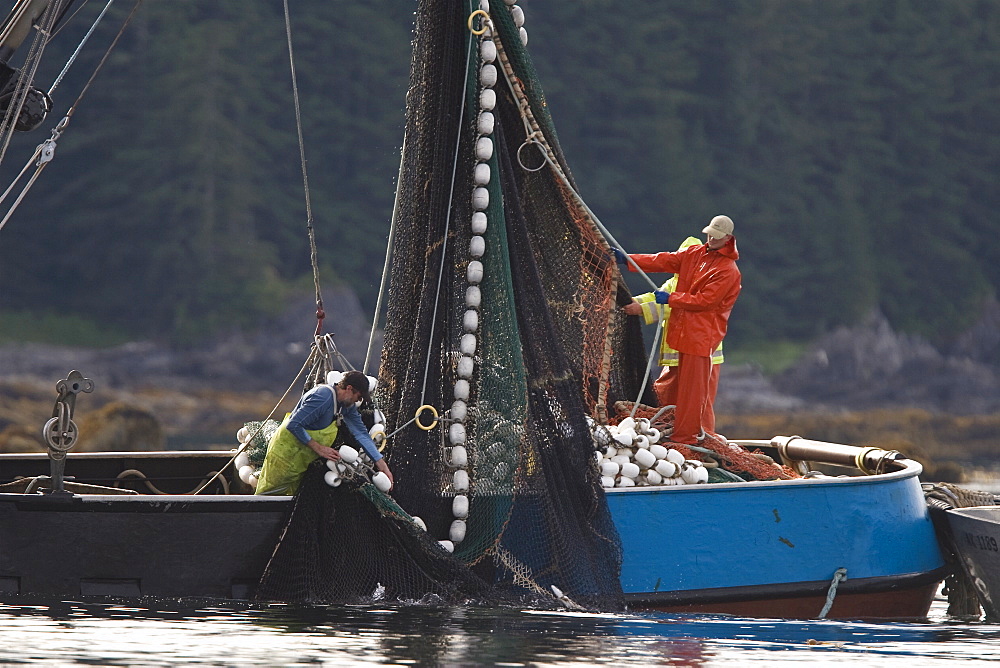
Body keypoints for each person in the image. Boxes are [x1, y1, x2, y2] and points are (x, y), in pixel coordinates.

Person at [616, 215, 741, 445]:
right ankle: (678, 435)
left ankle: (688, 439)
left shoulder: (728, 270)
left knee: (695, 397)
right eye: (709, 233)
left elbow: (706, 301)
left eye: (717, 235)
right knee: (675, 397)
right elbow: (661, 260)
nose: (711, 238)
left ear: (728, 239)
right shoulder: (694, 255)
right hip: (679, 339)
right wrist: (627, 259)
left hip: (702, 340)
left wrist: (669, 299)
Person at [627, 236, 725, 432]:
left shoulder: (702, 283)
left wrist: (641, 310)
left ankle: (701, 441)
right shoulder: (676, 281)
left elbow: (675, 307)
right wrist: (631, 301)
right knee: (665, 397)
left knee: (698, 404)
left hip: (701, 357)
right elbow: (655, 296)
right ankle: (670, 435)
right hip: (678, 357)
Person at [255, 370, 394, 495]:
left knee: (291, 500)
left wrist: (382, 465)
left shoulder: (345, 406)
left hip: (301, 459)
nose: (359, 400)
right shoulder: (323, 397)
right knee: (268, 495)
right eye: (359, 396)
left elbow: (361, 434)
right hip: (285, 455)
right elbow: (294, 424)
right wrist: (319, 448)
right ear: (349, 388)